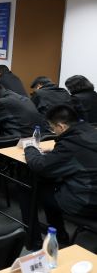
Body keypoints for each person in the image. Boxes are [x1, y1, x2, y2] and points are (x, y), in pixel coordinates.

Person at [23, 105, 97, 248]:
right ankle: (58, 233)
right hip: (91, 194)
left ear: (61, 126)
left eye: (53, 128)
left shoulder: (70, 144)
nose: (53, 132)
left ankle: (36, 240)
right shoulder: (90, 132)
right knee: (52, 182)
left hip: (87, 204)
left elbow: (40, 166)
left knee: (27, 186)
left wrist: (30, 148)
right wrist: (57, 153)